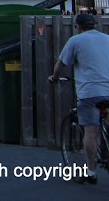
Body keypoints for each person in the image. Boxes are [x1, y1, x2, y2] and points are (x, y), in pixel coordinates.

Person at [49, 13, 109, 185]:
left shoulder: (75, 41)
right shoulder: (107, 39)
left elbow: (61, 64)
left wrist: (54, 77)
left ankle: (91, 172)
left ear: (78, 27)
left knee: (91, 132)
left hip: (90, 92)